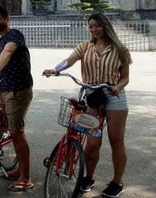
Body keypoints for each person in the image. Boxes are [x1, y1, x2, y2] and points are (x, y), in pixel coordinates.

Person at [43, 13, 131, 198]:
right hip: (91, 97)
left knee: (116, 141)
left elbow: (125, 77)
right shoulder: (85, 47)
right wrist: (55, 69)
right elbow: (69, 60)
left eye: (97, 25)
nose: (94, 29)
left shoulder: (120, 49)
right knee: (92, 144)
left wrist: (117, 86)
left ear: (105, 26)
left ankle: (117, 182)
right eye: (91, 26)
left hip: (114, 97)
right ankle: (89, 178)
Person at [0, 5, 34, 192]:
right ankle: (20, 169)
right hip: (5, 89)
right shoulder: (1, 39)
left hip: (18, 91)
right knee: (11, 130)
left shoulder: (14, 36)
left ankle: (26, 178)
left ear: (7, 18)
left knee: (16, 132)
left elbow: (7, 53)